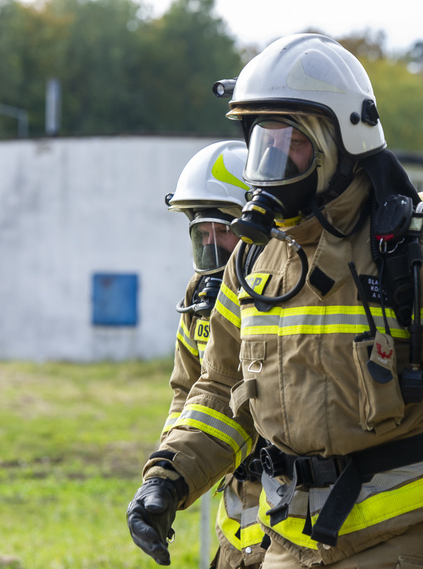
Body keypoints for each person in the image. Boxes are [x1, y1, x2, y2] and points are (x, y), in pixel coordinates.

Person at [128, 33, 423, 569]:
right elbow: (219, 391)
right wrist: (167, 478)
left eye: (292, 141)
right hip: (289, 538)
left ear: (341, 141)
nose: (274, 160)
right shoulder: (252, 262)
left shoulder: (418, 253)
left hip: (402, 535)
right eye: (263, 141)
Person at [158, 140, 267, 569]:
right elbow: (187, 394)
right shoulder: (198, 298)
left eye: (223, 230)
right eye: (201, 233)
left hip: (299, 508)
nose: (213, 244)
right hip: (237, 514)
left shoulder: (283, 293)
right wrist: (165, 478)